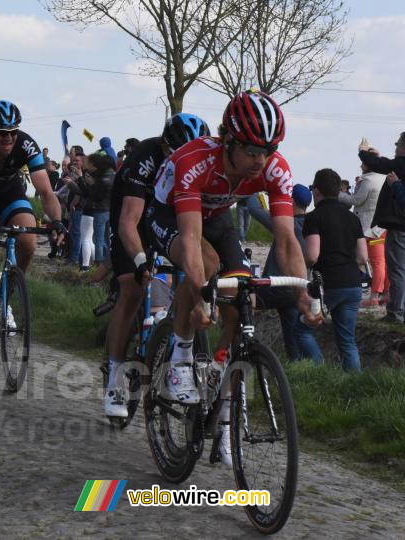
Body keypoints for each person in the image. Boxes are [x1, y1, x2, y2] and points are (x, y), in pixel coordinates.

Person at [146, 90, 322, 463]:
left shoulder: (274, 169)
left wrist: (303, 293)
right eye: (252, 152)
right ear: (227, 140)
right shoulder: (196, 161)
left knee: (244, 302)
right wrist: (201, 291)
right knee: (205, 267)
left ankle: (223, 414)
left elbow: (287, 238)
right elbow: (191, 239)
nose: (261, 161)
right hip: (169, 216)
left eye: (268, 151)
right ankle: (179, 356)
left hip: (217, 218)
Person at [103, 112, 210, 417]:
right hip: (131, 218)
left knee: (193, 275)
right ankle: (114, 378)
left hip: (169, 219)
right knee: (133, 288)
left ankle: (176, 350)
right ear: (165, 148)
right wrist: (139, 262)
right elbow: (128, 222)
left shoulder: (202, 163)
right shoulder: (145, 157)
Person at [0, 100, 65, 334]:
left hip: (10, 190)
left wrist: (57, 221)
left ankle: (4, 296)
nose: (9, 138)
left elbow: (47, 192)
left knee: (28, 241)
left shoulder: (26, 145)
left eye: (13, 132)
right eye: (2, 133)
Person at [297, 169, 367, 372]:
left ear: (316, 191)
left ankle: (321, 372)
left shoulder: (314, 218)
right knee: (347, 340)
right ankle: (354, 384)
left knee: (302, 329)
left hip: (327, 285)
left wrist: (299, 268)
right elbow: (363, 257)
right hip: (353, 285)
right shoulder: (352, 218)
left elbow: (312, 256)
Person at [252, 184, 322, 362]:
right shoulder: (311, 225)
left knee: (242, 301)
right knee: (291, 334)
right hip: (297, 288)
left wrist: (253, 187)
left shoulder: (283, 225)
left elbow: (254, 209)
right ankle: (296, 365)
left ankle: (244, 348)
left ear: (290, 201)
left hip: (274, 288)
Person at [360, 133, 405, 323]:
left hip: (397, 227)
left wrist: (363, 152)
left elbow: (382, 165)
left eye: (397, 143)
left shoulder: (400, 166)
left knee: (395, 270)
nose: (395, 146)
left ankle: (395, 313)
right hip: (393, 229)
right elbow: (387, 163)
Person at [339, 159, 386, 307]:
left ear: (368, 165)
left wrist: (338, 194)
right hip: (381, 228)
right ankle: (386, 293)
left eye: (363, 163)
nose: (360, 166)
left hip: (369, 230)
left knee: (375, 262)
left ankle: (374, 296)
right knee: (382, 261)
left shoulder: (367, 180)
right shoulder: (382, 177)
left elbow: (356, 200)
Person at [67, 151, 114, 270]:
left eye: (79, 161)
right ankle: (98, 265)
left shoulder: (98, 176)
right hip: (106, 210)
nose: (77, 163)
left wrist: (80, 180)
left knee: (92, 239)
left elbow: (90, 194)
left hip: (95, 210)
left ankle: (93, 265)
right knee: (100, 240)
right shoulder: (111, 175)